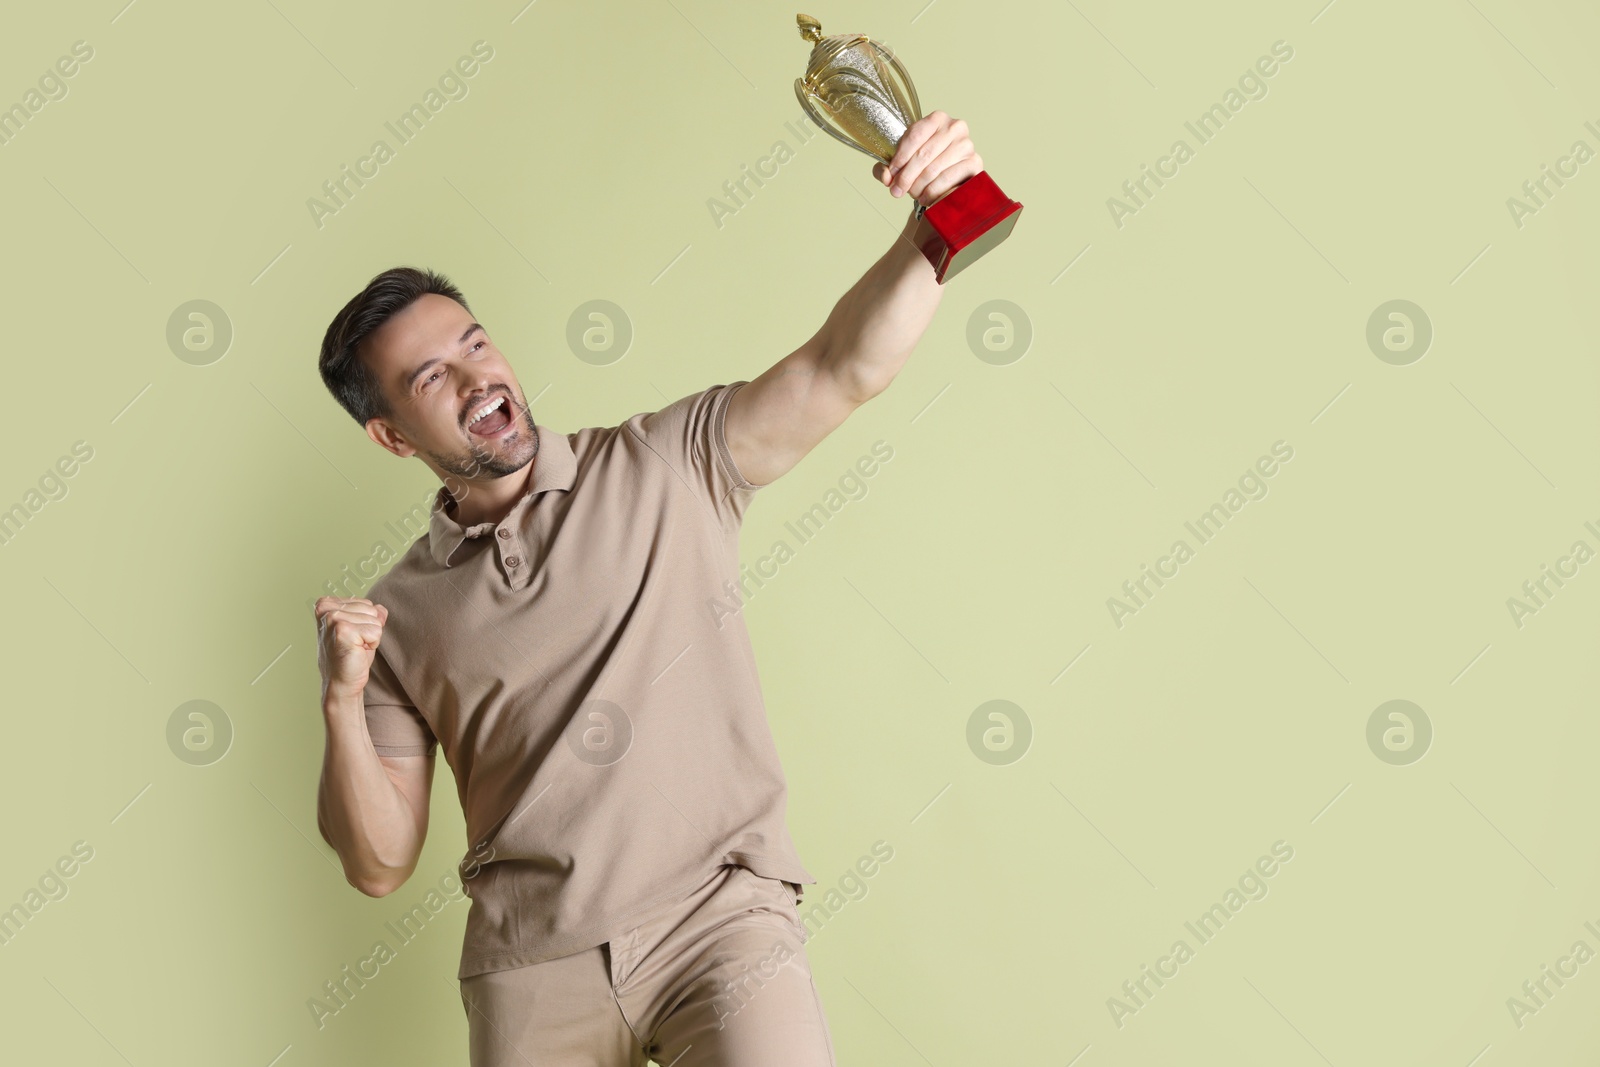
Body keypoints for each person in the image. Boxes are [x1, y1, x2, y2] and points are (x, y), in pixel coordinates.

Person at [313, 112, 985, 1067]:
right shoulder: (398, 616)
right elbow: (379, 863)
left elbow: (846, 364)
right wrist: (342, 698)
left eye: (474, 343)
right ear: (391, 435)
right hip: (531, 970)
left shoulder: (665, 463)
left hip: (722, 924)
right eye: (431, 377)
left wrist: (942, 218)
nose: (476, 376)